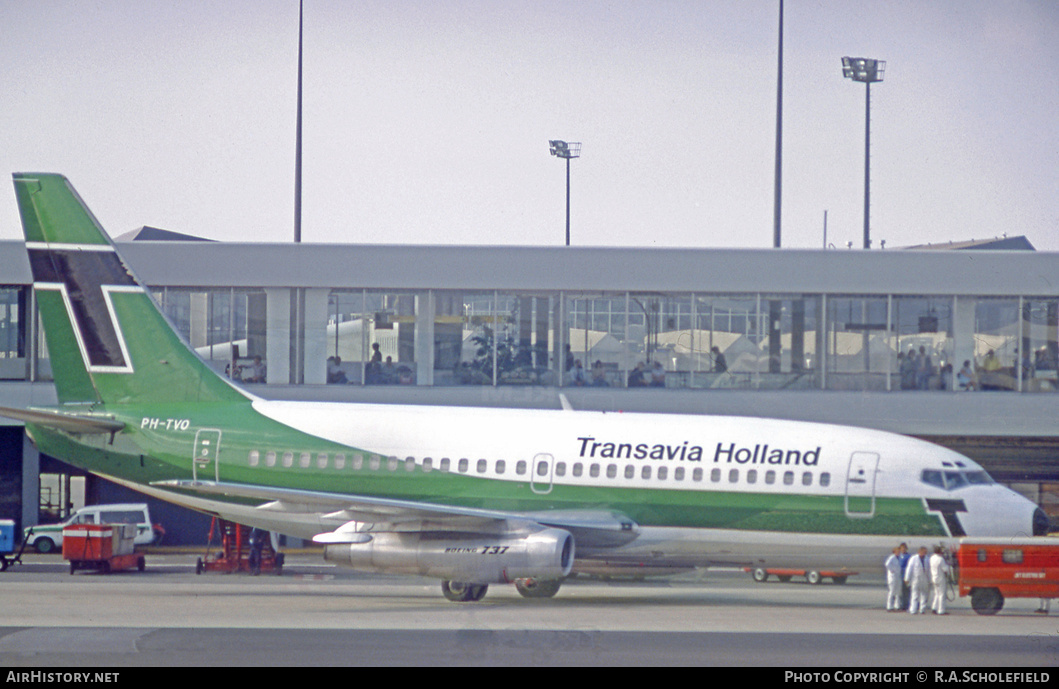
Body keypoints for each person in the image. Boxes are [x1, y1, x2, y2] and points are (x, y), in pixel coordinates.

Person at [905, 546, 930, 614]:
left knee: (924, 594)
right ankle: (913, 609)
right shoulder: (914, 558)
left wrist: (930, 580)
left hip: (924, 578)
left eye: (925, 552)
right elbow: (909, 568)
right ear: (919, 552)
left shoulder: (927, 559)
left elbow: (929, 570)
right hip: (916, 578)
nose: (924, 554)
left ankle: (922, 609)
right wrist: (907, 578)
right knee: (915, 594)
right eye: (923, 552)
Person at [929, 546, 951, 615]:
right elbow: (945, 569)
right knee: (941, 594)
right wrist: (948, 566)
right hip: (940, 578)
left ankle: (934, 607)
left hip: (934, 577)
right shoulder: (940, 559)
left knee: (936, 593)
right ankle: (941, 610)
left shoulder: (932, 557)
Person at [884, 546, 903, 611]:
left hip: (898, 576)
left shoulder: (900, 557)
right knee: (891, 591)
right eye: (897, 551)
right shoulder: (892, 557)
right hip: (892, 576)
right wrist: (891, 570)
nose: (899, 553)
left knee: (898, 591)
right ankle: (889, 606)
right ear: (894, 552)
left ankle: (897, 606)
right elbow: (887, 564)